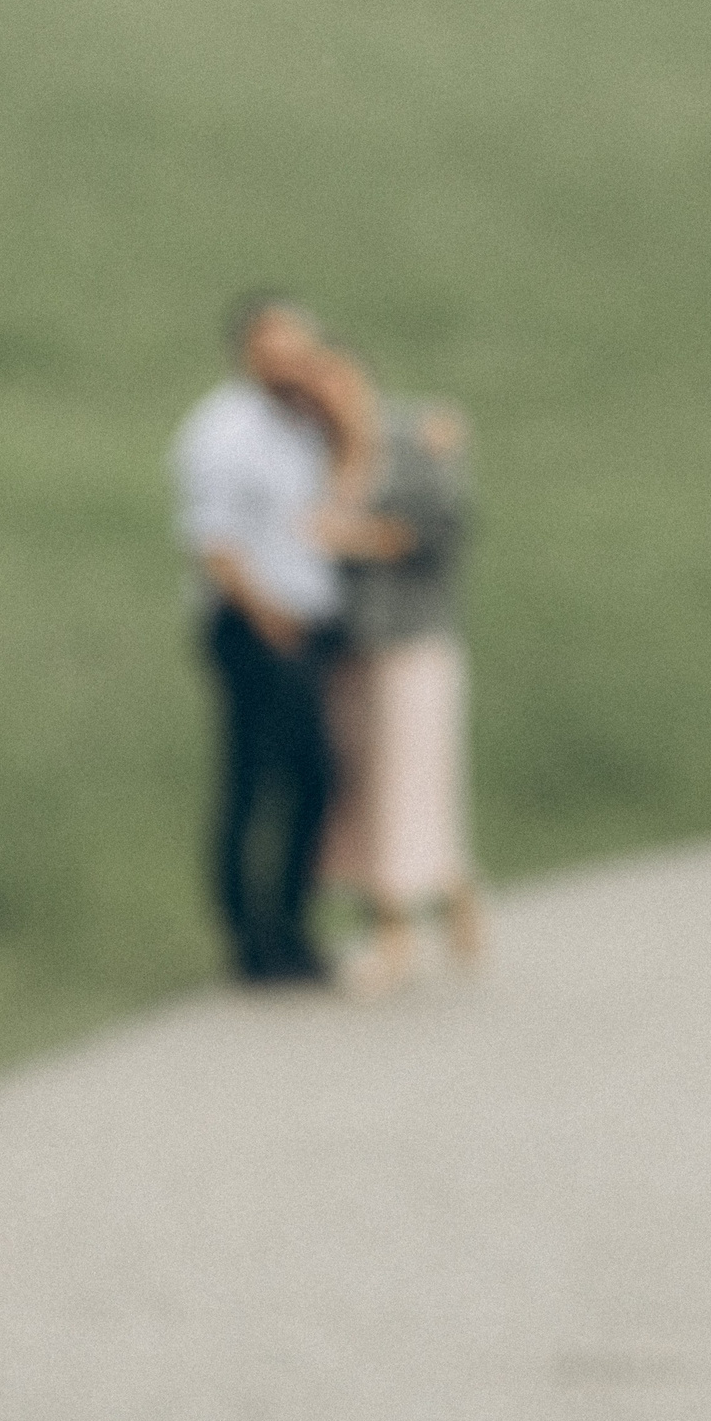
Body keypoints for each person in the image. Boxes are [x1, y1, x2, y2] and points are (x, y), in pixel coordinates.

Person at [171, 295, 346, 984]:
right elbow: (214, 543)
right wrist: (271, 620)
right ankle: (250, 938)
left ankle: (292, 925)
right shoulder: (225, 431)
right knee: (253, 778)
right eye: (275, 351)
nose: (289, 364)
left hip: (307, 622)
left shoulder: (303, 425)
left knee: (312, 779)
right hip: (257, 626)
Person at [299, 355, 483, 994]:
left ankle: (396, 933)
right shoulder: (315, 451)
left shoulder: (415, 440)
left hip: (410, 639)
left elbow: (443, 526)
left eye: (336, 379)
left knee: (407, 782)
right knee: (365, 788)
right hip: (346, 643)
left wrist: (355, 539)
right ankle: (450, 888)